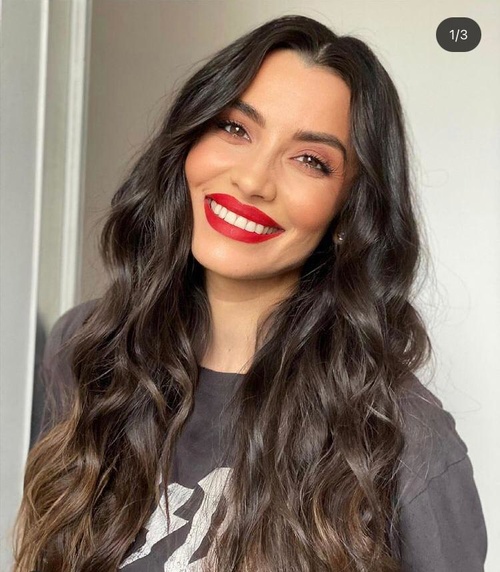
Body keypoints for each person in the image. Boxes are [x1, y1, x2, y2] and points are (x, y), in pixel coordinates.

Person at [13, 15, 487, 572]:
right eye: (236, 129)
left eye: (310, 161)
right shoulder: (89, 348)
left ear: (349, 211)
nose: (253, 180)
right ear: (189, 139)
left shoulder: (403, 437)